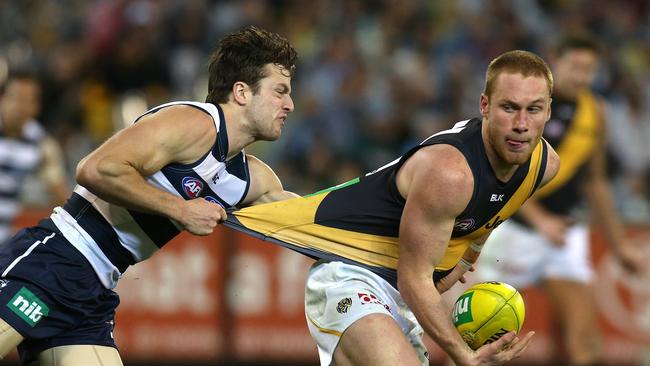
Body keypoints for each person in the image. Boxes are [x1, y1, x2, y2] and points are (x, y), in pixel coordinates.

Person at [224, 49, 560, 365]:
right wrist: (464, 355)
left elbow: (494, 206)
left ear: (548, 111)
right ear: (484, 106)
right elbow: (414, 278)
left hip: (397, 293)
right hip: (352, 274)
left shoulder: (543, 166)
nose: (521, 124)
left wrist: (469, 253)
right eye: (509, 107)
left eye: (533, 109)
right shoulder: (450, 173)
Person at [0, 26, 298, 366]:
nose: (289, 104)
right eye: (280, 91)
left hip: (93, 291)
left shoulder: (252, 179)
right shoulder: (193, 123)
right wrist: (181, 210)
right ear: (242, 92)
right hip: (56, 260)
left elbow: (305, 220)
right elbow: (95, 169)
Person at [475, 36, 644, 366]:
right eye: (575, 66)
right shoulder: (527, 108)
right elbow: (502, 172)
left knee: (585, 338)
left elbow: (596, 182)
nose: (582, 76)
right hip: (513, 230)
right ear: (555, 62)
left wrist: (619, 246)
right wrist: (540, 221)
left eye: (589, 69)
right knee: (485, 338)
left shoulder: (595, 112)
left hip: (564, 234)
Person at [0, 70, 69, 243]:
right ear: (2, 99)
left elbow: (60, 193)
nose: (20, 107)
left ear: (37, 106)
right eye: (15, 98)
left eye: (28, 100)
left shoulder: (41, 144)